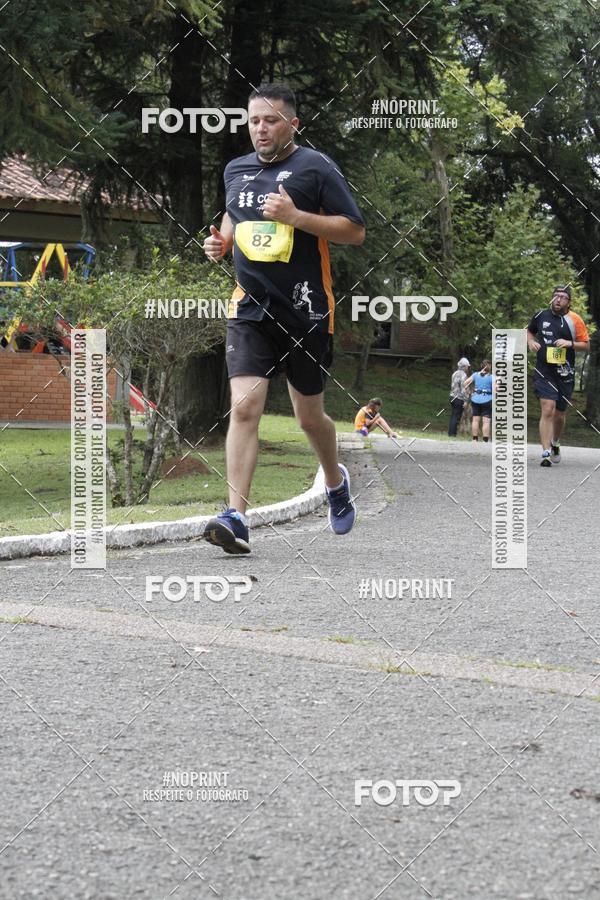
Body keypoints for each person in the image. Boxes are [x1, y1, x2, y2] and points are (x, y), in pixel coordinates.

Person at [202, 83, 365, 553]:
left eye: (270, 120)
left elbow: (354, 231)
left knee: (308, 417)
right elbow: (234, 221)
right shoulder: (236, 170)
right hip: (250, 308)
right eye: (253, 121)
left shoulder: (315, 167)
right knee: (246, 406)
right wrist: (221, 244)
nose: (260, 129)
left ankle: (335, 482)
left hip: (306, 310)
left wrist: (296, 216)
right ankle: (236, 516)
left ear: (292, 124)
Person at [526, 285, 589, 466]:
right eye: (556, 296)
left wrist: (569, 343)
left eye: (563, 297)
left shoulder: (575, 320)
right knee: (548, 409)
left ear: (568, 302)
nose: (558, 299)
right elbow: (530, 331)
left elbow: (586, 345)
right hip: (544, 371)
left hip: (565, 372)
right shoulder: (540, 315)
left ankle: (555, 442)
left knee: (560, 414)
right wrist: (531, 341)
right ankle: (545, 452)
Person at [464, 360, 493, 441]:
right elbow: (496, 389)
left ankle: (475, 439)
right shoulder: (492, 377)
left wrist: (469, 392)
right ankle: (485, 440)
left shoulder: (475, 375)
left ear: (481, 366)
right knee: (486, 421)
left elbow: (465, 383)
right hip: (487, 400)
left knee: (475, 420)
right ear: (489, 367)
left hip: (475, 399)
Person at [448, 357, 470, 436]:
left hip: (452, 396)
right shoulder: (463, 375)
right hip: (459, 398)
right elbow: (463, 389)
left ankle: (450, 433)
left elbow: (453, 386)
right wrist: (465, 400)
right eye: (467, 366)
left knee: (453, 415)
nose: (468, 368)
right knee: (456, 417)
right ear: (464, 366)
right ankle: (453, 434)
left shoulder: (454, 373)